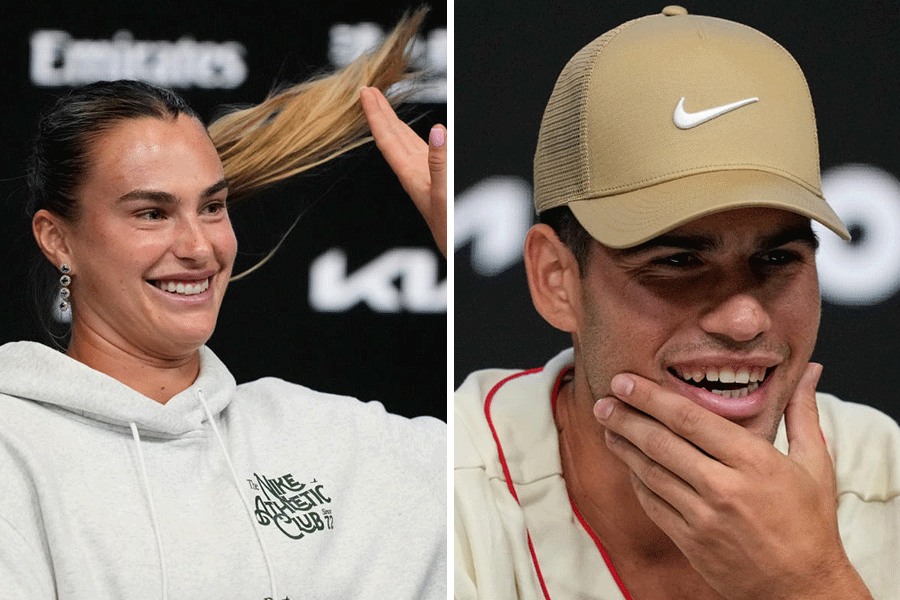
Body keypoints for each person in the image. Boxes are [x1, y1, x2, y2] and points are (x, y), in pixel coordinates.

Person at [454, 7, 900, 600]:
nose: (744, 320)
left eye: (776, 258)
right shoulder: (446, 490)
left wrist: (809, 583)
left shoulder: (887, 475)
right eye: (679, 262)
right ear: (557, 279)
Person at [0, 9, 446, 600]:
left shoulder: (332, 438)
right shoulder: (14, 448)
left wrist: (454, 240)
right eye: (152, 213)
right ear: (58, 239)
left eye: (212, 207)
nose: (199, 247)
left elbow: (523, 479)